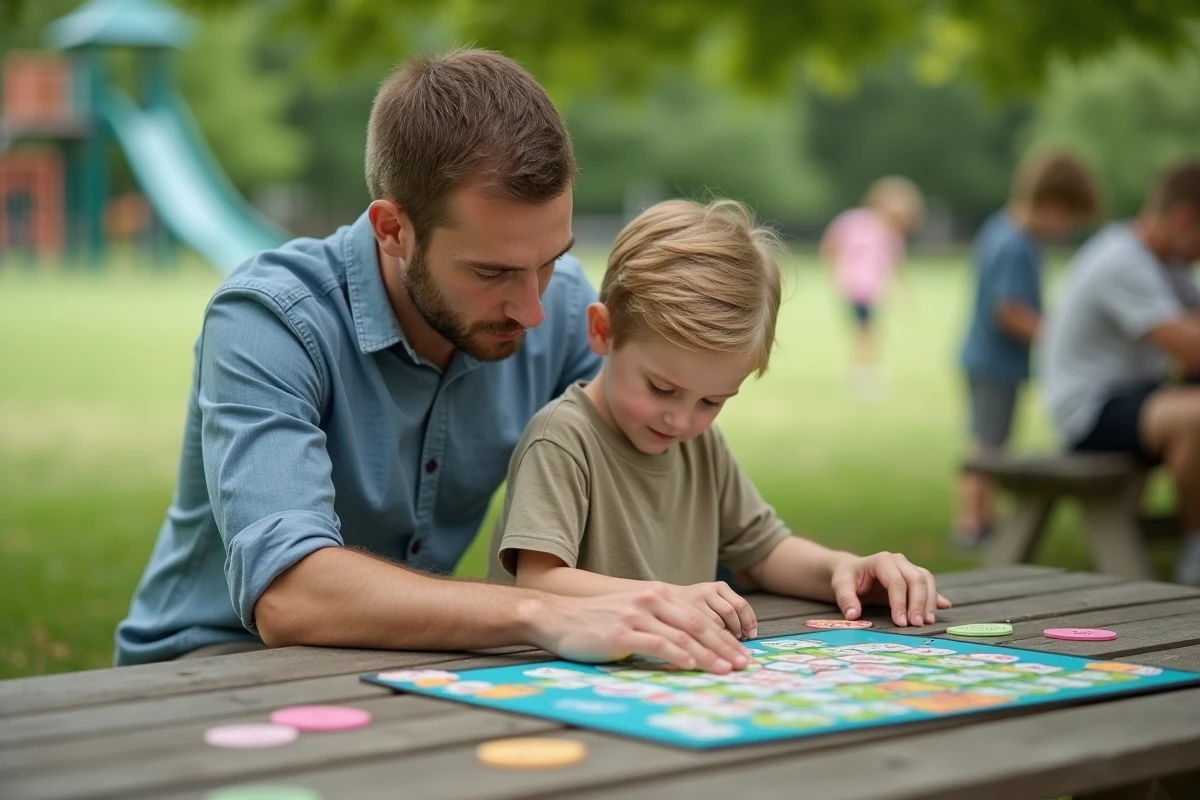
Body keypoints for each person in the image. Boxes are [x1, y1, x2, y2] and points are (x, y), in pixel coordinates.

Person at [114, 49, 758, 675]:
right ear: (392, 230)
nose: (533, 310)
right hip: (209, 664)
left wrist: (828, 571)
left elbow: (664, 479)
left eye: (551, 260)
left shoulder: (562, 312)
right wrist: (541, 611)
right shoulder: (270, 319)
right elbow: (289, 595)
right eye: (491, 271)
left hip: (413, 657)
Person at [488, 198, 951, 634]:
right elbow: (539, 582)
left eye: (711, 401)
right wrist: (673, 597)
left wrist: (842, 568)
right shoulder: (563, 439)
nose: (681, 421)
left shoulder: (699, 445)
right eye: (662, 388)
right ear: (603, 331)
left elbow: (763, 552)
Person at [1041, 161, 1200, 585]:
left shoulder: (1169, 263)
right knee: (1194, 415)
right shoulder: (1123, 262)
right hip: (1088, 412)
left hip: (1134, 395)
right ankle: (1196, 553)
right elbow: (1191, 348)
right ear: (1186, 219)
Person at [953, 152, 1100, 548]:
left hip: (993, 362)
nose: (1066, 230)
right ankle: (971, 525)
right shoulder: (1015, 243)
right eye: (1069, 219)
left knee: (993, 442)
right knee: (987, 447)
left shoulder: (1002, 229)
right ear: (1054, 206)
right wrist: (1055, 333)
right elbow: (1008, 310)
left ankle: (983, 519)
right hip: (992, 363)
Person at [819, 176, 924, 398]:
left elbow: (895, 264)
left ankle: (865, 374)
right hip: (855, 289)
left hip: (873, 291)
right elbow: (831, 244)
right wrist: (835, 275)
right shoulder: (855, 221)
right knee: (866, 334)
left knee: (869, 333)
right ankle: (861, 377)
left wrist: (904, 292)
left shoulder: (891, 234)